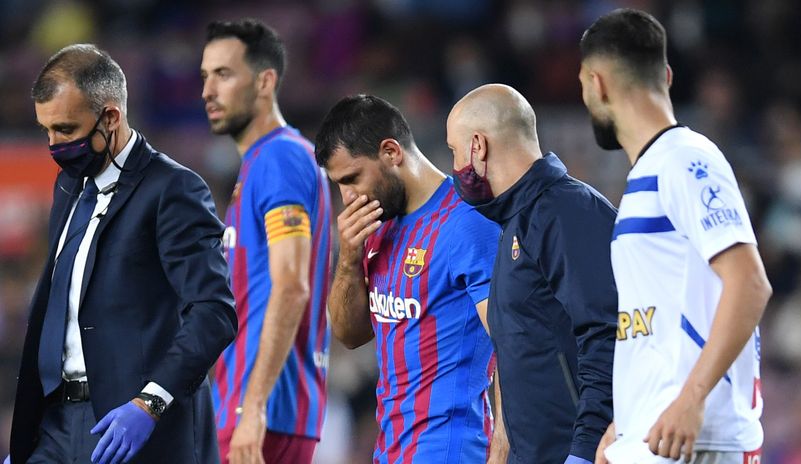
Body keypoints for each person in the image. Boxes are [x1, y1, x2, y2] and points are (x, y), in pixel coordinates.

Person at [7, 44, 237, 464]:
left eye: (65, 129)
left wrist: (150, 403)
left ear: (110, 117)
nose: (53, 145)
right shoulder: (68, 188)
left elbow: (214, 311)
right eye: (46, 131)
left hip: (133, 424)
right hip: (57, 426)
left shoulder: (173, 189)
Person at [578, 9, 773, 464]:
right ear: (665, 75)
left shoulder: (684, 159)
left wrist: (692, 399)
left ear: (596, 83)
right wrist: (625, 420)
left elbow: (749, 282)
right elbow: (655, 322)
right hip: (652, 436)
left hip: (697, 440)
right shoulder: (649, 173)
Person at [315, 94, 505, 463]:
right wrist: (349, 259)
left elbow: (512, 347)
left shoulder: (467, 222)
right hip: (390, 449)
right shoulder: (378, 227)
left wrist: (502, 449)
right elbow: (349, 334)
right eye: (338, 184)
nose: (348, 196)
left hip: (452, 449)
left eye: (351, 178)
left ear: (391, 152)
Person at [446, 83, 618, 464]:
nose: (455, 166)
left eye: (454, 152)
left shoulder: (568, 211)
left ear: (478, 146)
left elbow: (607, 334)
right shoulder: (517, 223)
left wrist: (585, 451)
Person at [201, 19, 333, 464]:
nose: (207, 91)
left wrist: (252, 408)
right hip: (245, 409)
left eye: (223, 74)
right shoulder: (261, 163)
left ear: (264, 81)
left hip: (264, 415)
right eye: (205, 76)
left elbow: (292, 285)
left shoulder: (281, 157)